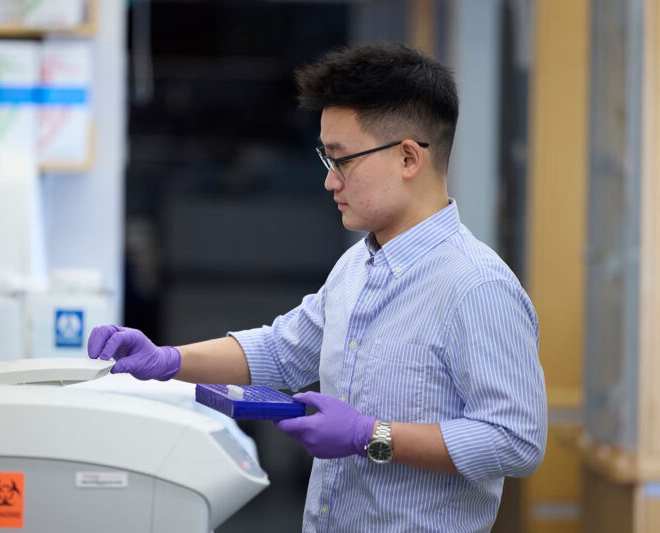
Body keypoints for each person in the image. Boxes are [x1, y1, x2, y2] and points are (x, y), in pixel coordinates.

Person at [88, 42, 547, 532]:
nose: (330, 182)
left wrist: (370, 435)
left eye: (341, 160)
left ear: (409, 158)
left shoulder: (476, 286)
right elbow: (283, 351)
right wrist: (169, 360)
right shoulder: (357, 266)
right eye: (326, 159)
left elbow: (516, 439)